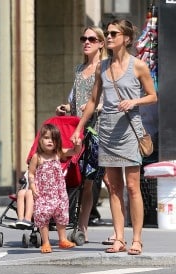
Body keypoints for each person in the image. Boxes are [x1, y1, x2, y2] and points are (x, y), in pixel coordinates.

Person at [71, 19, 157, 255]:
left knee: (132, 186)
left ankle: (136, 239)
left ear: (126, 39)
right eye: (107, 33)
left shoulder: (138, 66)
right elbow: (92, 101)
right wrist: (79, 128)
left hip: (130, 129)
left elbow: (152, 96)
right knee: (115, 188)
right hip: (107, 130)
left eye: (113, 33)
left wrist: (134, 101)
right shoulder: (103, 66)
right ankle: (119, 238)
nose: (108, 37)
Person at [56, 26, 108, 242]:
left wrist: (92, 109)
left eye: (92, 39)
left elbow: (102, 100)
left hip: (97, 130)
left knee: (99, 180)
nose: (86, 42)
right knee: (81, 180)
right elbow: (74, 100)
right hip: (77, 130)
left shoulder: (105, 68)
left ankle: (104, 231)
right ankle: (79, 228)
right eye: (83, 38)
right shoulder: (79, 69)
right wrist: (66, 108)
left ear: (101, 43)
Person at [28, 123, 82, 253]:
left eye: (53, 139)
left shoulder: (58, 153)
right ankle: (46, 242)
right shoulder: (37, 157)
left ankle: (62, 239)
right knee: (43, 216)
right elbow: (31, 173)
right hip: (43, 194)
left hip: (59, 193)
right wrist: (33, 186)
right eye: (46, 138)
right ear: (40, 140)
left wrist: (78, 143)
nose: (50, 141)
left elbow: (75, 151)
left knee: (61, 215)